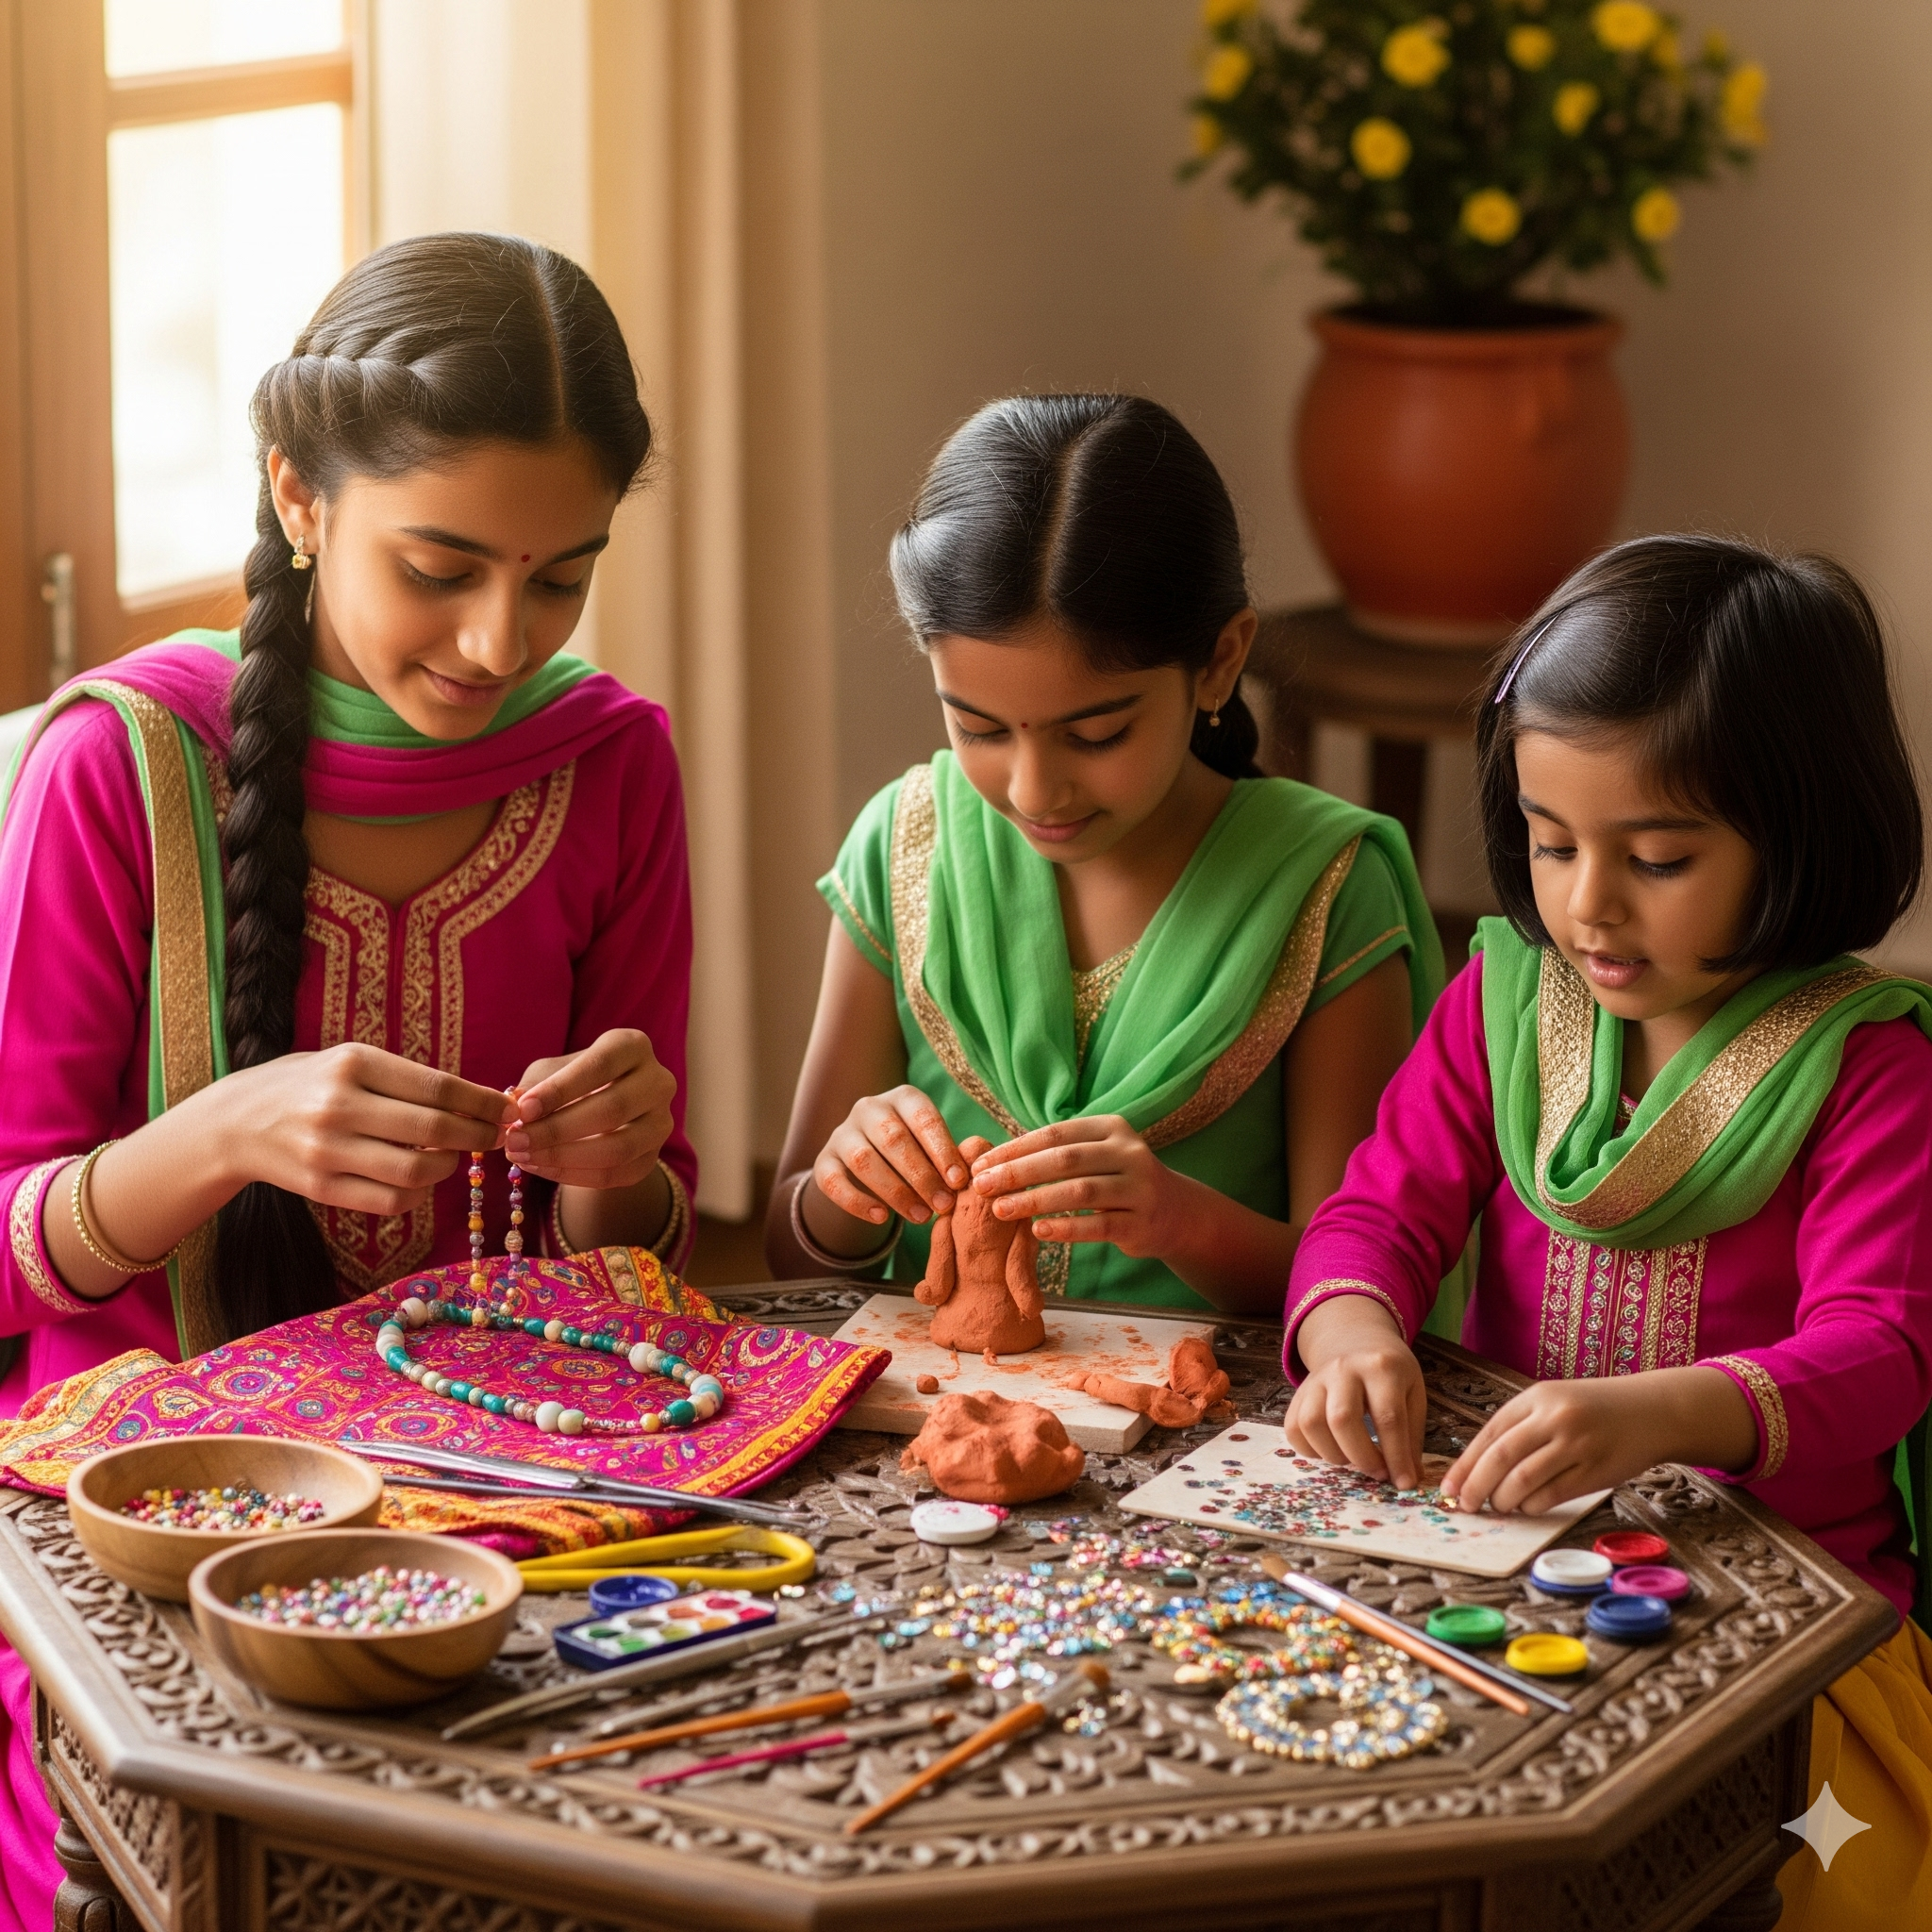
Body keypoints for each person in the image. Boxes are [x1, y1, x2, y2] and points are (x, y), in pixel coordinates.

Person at [0, 232, 697, 1931]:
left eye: (557, 577)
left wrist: (615, 1163)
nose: (493, 637)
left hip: (523, 1495)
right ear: (298, 497)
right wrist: (217, 1133)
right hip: (148, 1507)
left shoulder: (609, 762)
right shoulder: (119, 766)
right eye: (441, 563)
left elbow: (635, 1259)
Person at [1281, 535, 1932, 1931]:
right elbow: (1373, 1211)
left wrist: (1665, 1416)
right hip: (1514, 1556)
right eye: (1549, 840)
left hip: (1785, 1619)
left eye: (1658, 856)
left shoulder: (1874, 1068)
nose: (1588, 903)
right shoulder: (1507, 1005)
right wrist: (1350, 1331)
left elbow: (1880, 1351)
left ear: (1800, 828)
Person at [767, 393, 1442, 1313]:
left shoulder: (1321, 884)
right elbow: (790, 1250)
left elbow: (1358, 1282)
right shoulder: (907, 843)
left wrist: (1175, 1218)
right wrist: (843, 1188)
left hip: (1215, 1435)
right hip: (930, 1407)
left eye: (1095, 733)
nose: (1033, 790)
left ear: (1217, 662)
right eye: (977, 726)